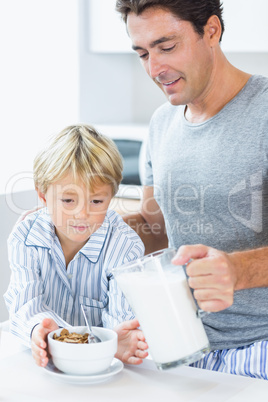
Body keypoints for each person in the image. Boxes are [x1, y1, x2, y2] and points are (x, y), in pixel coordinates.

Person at [115, 0, 268, 378]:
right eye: (143, 54)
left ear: (211, 31)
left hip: (257, 349)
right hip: (180, 342)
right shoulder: (161, 123)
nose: (155, 68)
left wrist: (235, 269)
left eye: (167, 47)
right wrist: (87, 225)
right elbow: (157, 229)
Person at [4, 124, 148, 367]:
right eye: (68, 200)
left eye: (96, 201)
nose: (82, 213)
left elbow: (120, 324)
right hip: (40, 363)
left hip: (98, 365)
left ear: (111, 197)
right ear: (42, 196)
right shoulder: (25, 236)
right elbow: (24, 306)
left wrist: (117, 342)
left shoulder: (125, 246)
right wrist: (37, 330)